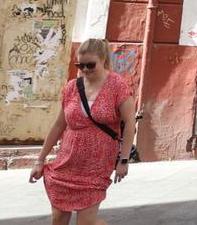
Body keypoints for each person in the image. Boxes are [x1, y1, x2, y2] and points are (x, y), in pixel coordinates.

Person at [30, 38, 135, 225]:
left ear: (103, 59)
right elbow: (58, 125)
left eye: (90, 65)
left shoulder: (118, 86)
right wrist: (40, 160)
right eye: (80, 65)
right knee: (59, 220)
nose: (85, 69)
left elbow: (129, 125)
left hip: (97, 163)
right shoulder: (72, 87)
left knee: (86, 223)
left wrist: (123, 160)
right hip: (66, 161)